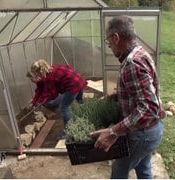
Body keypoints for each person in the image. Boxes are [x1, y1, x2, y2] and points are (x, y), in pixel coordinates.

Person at [89, 15, 165, 179]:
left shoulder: (132, 63)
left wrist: (113, 132)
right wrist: (119, 95)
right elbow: (146, 92)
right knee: (144, 168)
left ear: (116, 38)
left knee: (118, 173)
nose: (108, 46)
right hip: (152, 130)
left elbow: (149, 108)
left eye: (108, 42)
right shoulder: (141, 52)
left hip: (142, 134)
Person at [27, 59, 87, 138]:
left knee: (63, 108)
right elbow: (40, 89)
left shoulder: (48, 78)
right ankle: (86, 118)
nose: (32, 80)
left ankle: (68, 132)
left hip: (73, 86)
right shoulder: (51, 69)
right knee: (80, 101)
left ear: (38, 73)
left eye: (33, 78)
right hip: (79, 80)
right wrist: (33, 102)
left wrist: (41, 102)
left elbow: (53, 94)